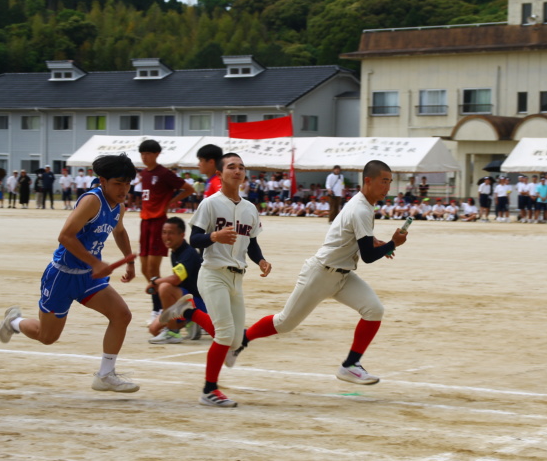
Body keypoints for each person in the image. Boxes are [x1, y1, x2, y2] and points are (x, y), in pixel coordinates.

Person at [230, 159, 407, 386]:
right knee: (285, 323)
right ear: (368, 181)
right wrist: (392, 244)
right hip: (320, 274)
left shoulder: (364, 205)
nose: (388, 188)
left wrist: (375, 241)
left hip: (342, 276)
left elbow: (352, 235)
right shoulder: (362, 208)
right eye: (384, 181)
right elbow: (368, 257)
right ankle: (242, 340)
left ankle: (350, 366)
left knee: (374, 310)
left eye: (390, 182)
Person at [0, 154, 140, 392]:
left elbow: (120, 231)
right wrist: (96, 262)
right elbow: (65, 236)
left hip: (87, 277)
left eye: (127, 184)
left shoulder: (119, 205)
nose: (123, 189)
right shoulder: (92, 201)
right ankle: (14, 321)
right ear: (102, 180)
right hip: (62, 275)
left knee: (122, 315)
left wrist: (130, 262)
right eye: (118, 183)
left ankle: (105, 375)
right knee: (47, 336)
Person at [160, 152, 272, 407]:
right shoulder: (210, 204)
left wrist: (261, 260)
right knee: (224, 335)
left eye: (242, 167)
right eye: (232, 167)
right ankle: (209, 390)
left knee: (234, 340)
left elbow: (251, 243)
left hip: (237, 278)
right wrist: (214, 236)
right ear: (220, 174)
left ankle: (187, 311)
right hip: (212, 274)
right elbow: (194, 239)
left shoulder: (249, 208)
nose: (238, 171)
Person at [139, 139, 195, 325]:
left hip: (158, 222)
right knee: (145, 269)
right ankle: (158, 304)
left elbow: (188, 188)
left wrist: (171, 202)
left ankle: (158, 309)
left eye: (148, 153)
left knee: (153, 268)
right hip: (145, 221)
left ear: (156, 154)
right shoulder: (144, 174)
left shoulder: (164, 173)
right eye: (142, 154)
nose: (144, 157)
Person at [147, 217, 206, 343]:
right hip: (184, 301)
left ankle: (173, 333)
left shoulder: (188, 253)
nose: (166, 236)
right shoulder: (175, 251)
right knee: (153, 329)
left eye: (171, 233)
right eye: (164, 232)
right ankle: (191, 321)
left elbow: (175, 280)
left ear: (182, 235)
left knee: (165, 287)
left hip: (200, 303)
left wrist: (155, 281)